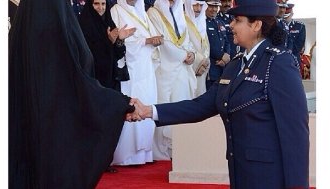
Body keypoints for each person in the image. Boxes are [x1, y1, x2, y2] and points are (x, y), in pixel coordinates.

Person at [129, 0, 310, 188]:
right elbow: (201, 105)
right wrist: (148, 111)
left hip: (269, 177)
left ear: (256, 25)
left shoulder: (278, 64)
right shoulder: (236, 64)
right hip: (240, 171)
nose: (231, 25)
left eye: (238, 20)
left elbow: (296, 134)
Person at [9, 0, 136, 188]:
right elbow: (79, 78)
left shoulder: (20, 33)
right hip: (55, 132)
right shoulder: (58, 30)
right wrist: (120, 104)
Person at [109, 0, 163, 165]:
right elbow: (118, 40)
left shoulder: (143, 13)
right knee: (131, 105)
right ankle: (125, 156)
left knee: (146, 103)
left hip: (145, 68)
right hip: (130, 70)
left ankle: (144, 154)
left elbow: (151, 35)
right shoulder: (116, 10)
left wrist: (155, 41)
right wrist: (145, 41)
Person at [147, 0, 197, 160]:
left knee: (181, 106)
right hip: (164, 69)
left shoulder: (180, 14)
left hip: (181, 69)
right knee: (164, 108)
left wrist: (192, 55)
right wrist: (183, 55)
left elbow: (187, 39)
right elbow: (163, 43)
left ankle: (178, 149)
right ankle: (161, 152)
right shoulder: (153, 13)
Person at [79, 0, 135, 92]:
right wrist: (108, 41)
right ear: (90, 4)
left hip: (111, 78)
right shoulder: (83, 25)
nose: (100, 8)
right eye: (96, 3)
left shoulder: (108, 22)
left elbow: (118, 54)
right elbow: (86, 54)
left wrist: (120, 40)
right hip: (94, 79)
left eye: (103, 4)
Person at [184, 0, 210, 97]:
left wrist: (205, 63)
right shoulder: (182, 21)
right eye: (195, 5)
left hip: (202, 71)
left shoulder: (202, 21)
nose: (198, 9)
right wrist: (199, 63)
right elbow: (184, 46)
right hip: (189, 70)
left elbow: (206, 46)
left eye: (201, 5)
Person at [205, 0, 230, 90]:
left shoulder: (220, 22)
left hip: (223, 67)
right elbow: (206, 45)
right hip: (211, 68)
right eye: (211, 6)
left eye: (216, 6)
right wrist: (221, 56)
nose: (214, 9)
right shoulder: (202, 23)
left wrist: (227, 56)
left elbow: (227, 41)